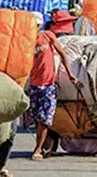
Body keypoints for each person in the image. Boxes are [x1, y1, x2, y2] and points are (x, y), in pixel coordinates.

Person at [28, 10, 77, 161]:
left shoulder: (47, 36)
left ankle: (37, 149)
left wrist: (70, 73)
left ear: (40, 25)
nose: (33, 28)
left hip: (48, 84)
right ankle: (43, 143)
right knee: (37, 118)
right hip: (34, 84)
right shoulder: (26, 41)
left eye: (35, 25)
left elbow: (62, 54)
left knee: (44, 119)